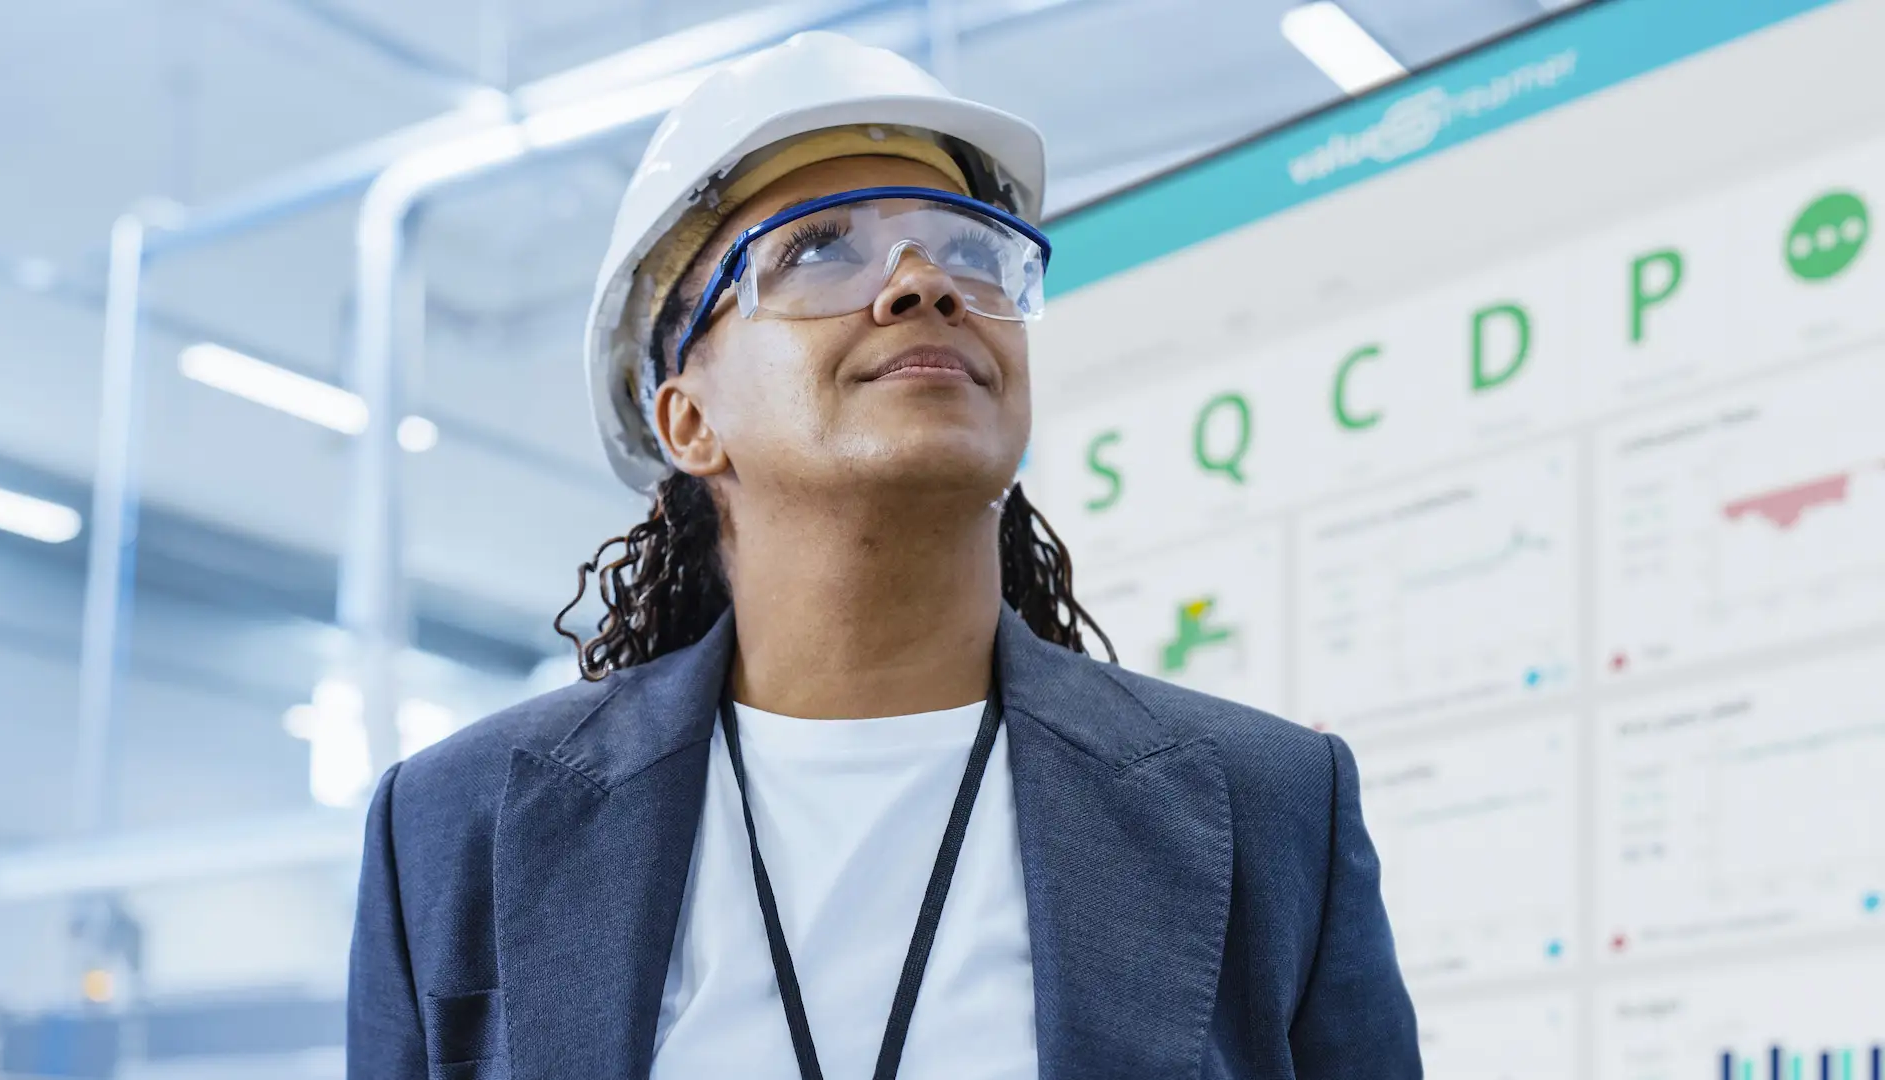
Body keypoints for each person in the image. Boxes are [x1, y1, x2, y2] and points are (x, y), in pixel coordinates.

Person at [347, 31, 1419, 1080]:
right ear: (687, 421)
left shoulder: (1272, 808)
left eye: (971, 251)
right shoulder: (454, 828)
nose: (924, 284)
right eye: (819, 247)